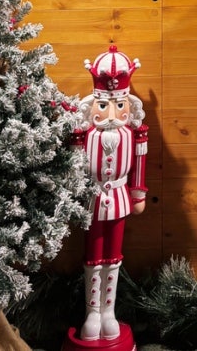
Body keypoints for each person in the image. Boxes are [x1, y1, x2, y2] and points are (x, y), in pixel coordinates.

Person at [74, 45, 148, 343]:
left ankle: (109, 311)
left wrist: (139, 193)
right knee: (94, 256)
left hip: (119, 199)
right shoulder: (84, 138)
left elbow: (139, 167)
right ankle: (92, 312)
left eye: (119, 106)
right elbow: (76, 170)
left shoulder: (134, 135)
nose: (112, 114)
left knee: (114, 256)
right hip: (91, 201)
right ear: (93, 105)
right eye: (103, 106)